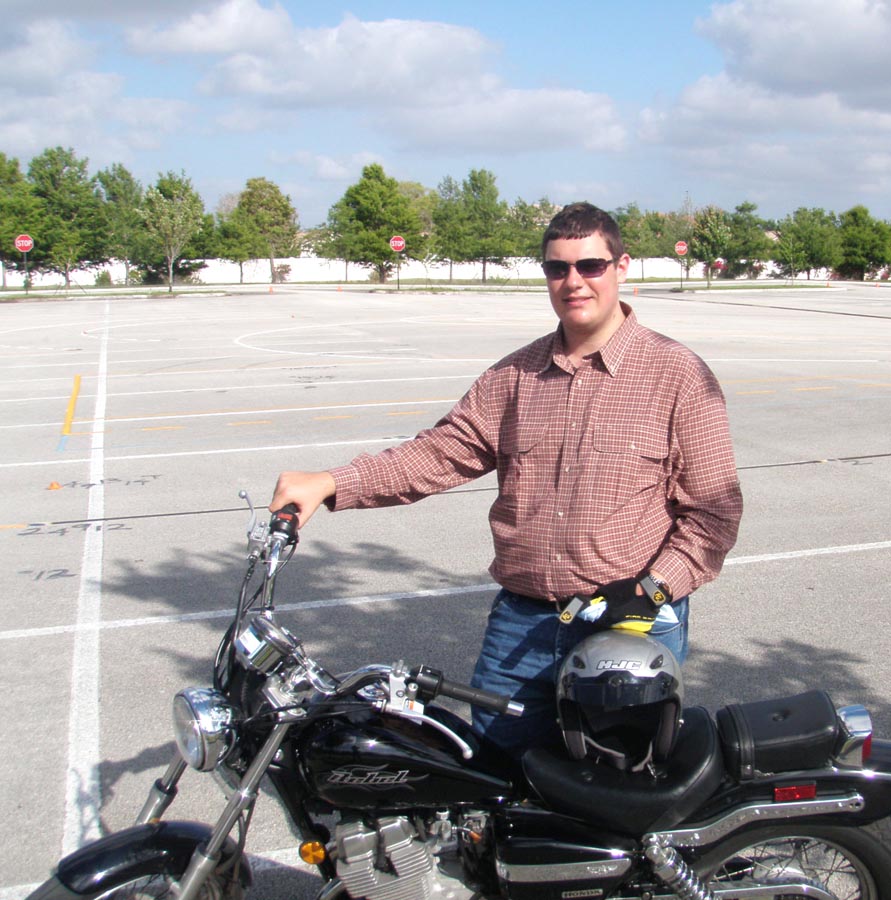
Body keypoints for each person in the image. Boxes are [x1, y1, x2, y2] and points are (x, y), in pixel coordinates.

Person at [270, 202, 742, 757]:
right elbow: (440, 453)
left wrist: (654, 587)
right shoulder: (513, 376)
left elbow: (713, 512)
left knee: (615, 783)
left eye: (590, 265)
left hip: (630, 625)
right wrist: (330, 482)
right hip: (522, 624)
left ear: (621, 267)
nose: (573, 281)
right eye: (557, 268)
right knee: (496, 773)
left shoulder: (677, 374)